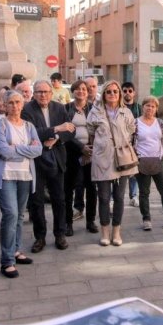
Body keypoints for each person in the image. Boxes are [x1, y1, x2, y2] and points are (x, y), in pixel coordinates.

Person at [0, 91, 41, 278]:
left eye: (18, 102)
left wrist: (16, 148)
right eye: (10, 102)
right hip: (5, 176)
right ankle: (7, 261)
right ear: (4, 105)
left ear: (23, 104)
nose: (15, 106)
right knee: (10, 214)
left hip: (25, 176)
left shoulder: (29, 126)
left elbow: (38, 150)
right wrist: (26, 150)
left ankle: (16, 251)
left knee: (19, 215)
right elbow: (2, 151)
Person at [21, 80, 75, 252]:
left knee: (59, 199)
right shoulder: (27, 110)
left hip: (56, 158)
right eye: (38, 92)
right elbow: (31, 132)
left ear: (51, 93)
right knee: (36, 202)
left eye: (45, 92)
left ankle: (60, 235)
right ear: (34, 93)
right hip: (36, 161)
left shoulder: (60, 108)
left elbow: (70, 130)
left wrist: (57, 138)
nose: (42, 95)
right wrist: (55, 129)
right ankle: (40, 237)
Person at [86, 81, 138, 246]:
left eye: (115, 91)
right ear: (104, 94)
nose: (113, 94)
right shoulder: (95, 112)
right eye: (109, 92)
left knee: (119, 197)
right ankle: (105, 232)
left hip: (122, 159)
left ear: (120, 94)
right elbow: (91, 131)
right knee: (103, 197)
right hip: (102, 159)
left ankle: (116, 231)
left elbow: (131, 129)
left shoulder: (126, 112)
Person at [133, 97, 163, 231]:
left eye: (153, 106)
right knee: (144, 192)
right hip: (142, 161)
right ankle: (146, 219)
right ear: (143, 107)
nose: (150, 108)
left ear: (156, 109)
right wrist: (137, 158)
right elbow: (131, 141)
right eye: (148, 106)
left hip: (159, 160)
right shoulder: (136, 123)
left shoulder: (160, 122)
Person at [65, 79, 98, 234]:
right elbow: (65, 133)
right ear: (73, 91)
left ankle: (90, 221)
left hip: (91, 153)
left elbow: (98, 129)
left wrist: (89, 149)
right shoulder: (66, 109)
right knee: (69, 188)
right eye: (77, 89)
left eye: (84, 89)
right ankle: (68, 223)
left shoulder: (94, 108)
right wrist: (81, 148)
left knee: (91, 189)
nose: (81, 91)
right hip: (71, 153)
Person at [121, 82, 141, 205]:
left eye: (130, 91)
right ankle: (114, 197)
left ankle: (133, 195)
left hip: (135, 143)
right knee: (119, 171)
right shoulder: (119, 108)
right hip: (121, 143)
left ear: (134, 92)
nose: (127, 93)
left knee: (134, 171)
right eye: (125, 91)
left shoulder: (139, 108)